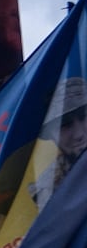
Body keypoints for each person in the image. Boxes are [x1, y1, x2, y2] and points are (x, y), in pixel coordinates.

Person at [31, 77, 87, 211]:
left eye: (84, 117)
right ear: (50, 134)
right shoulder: (48, 189)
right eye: (65, 125)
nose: (79, 134)